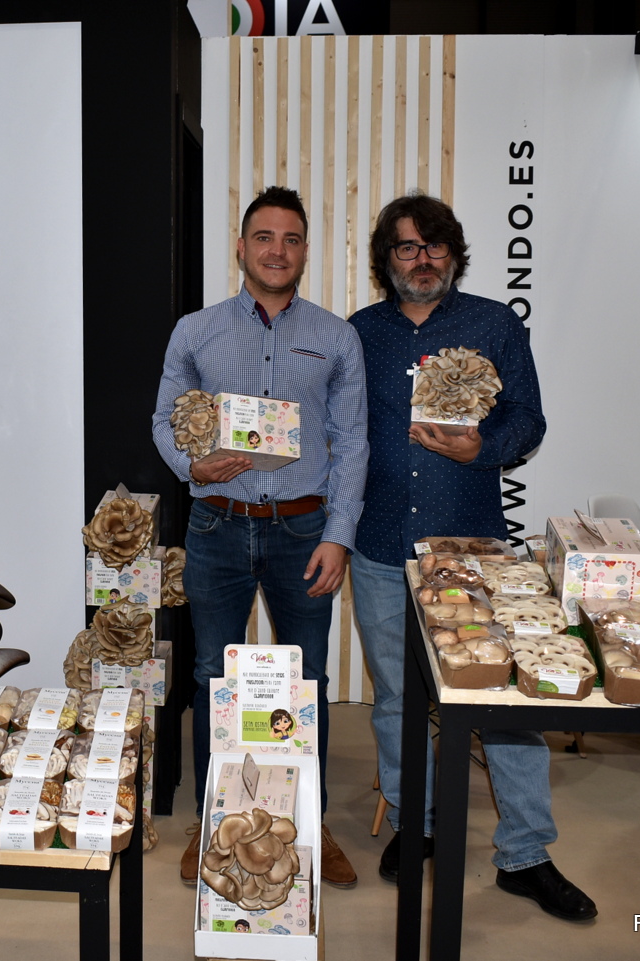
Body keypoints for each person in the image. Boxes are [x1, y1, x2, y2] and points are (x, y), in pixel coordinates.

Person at [347, 193, 596, 921]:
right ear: (386, 260)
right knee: (397, 698)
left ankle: (526, 853)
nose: (422, 259)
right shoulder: (360, 333)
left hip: (473, 549)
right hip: (381, 544)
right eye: (406, 247)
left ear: (453, 253)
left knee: (502, 702)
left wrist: (482, 446)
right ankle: (416, 825)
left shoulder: (493, 324)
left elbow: (528, 419)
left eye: (434, 246)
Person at [152, 185, 368, 887]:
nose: (278, 250)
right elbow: (164, 419)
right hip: (217, 525)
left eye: (292, 239)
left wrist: (339, 534)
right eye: (265, 237)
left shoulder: (336, 337)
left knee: (307, 682)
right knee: (212, 678)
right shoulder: (196, 332)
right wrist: (191, 465)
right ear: (241, 247)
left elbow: (352, 441)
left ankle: (310, 821)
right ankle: (215, 822)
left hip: (305, 531)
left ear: (305, 251)